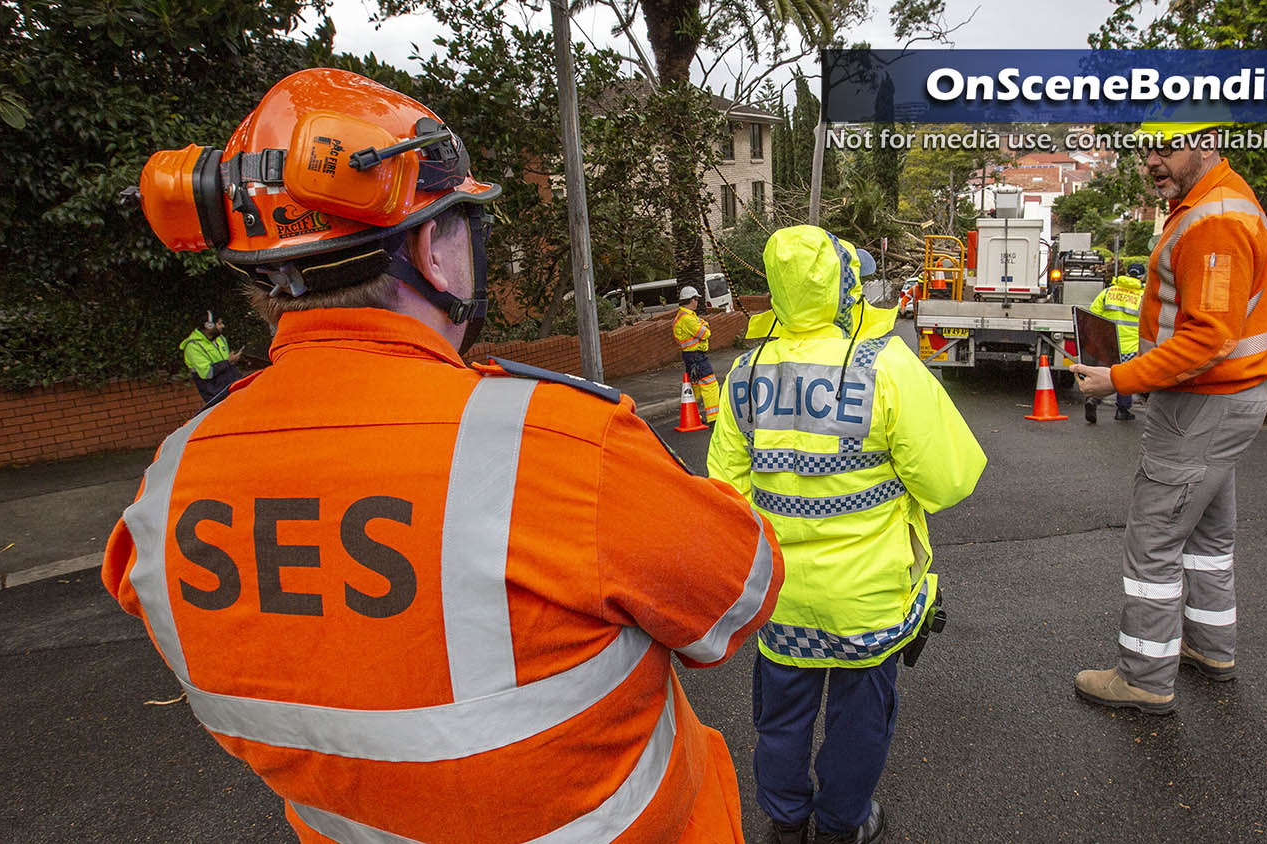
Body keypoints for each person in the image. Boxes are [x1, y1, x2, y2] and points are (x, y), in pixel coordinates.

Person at [103, 68, 784, 843]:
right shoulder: (559, 448)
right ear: (433, 248)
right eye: (467, 224)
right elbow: (742, 588)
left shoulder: (166, 492)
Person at [707, 225, 986, 844]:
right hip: (869, 597)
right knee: (860, 721)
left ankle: (785, 822)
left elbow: (725, 491)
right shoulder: (885, 364)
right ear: (847, 283)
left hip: (780, 595)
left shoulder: (747, 370)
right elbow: (950, 478)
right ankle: (842, 826)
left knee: (780, 718)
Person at [1070, 122, 1267, 715]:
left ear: (1208, 145)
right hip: (1229, 397)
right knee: (1209, 537)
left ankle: (1143, 676)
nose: (1152, 161)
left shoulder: (1212, 218)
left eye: (1167, 148)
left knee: (1155, 541)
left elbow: (1209, 336)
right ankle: (1211, 649)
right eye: (1146, 150)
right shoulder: (1224, 201)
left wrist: (1120, 378)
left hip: (1203, 404)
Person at [1083, 263, 1146, 423]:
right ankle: (1122, 410)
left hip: (1108, 343)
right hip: (1130, 345)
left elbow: (1094, 314)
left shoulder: (1108, 292)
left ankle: (1093, 399)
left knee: (1104, 374)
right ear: (1142, 277)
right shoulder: (1143, 296)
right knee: (1124, 378)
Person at [673, 285, 720, 423]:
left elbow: (703, 325)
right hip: (696, 356)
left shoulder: (688, 316)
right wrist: (705, 327)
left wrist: (703, 325)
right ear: (691, 300)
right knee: (710, 384)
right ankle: (714, 418)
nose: (697, 302)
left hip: (692, 356)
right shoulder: (687, 319)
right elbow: (705, 333)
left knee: (696, 387)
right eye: (696, 299)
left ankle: (693, 417)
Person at [180, 309, 243, 404]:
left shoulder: (220, 338)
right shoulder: (193, 346)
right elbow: (207, 373)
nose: (223, 326)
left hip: (233, 388)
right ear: (209, 326)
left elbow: (225, 365)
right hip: (216, 396)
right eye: (219, 323)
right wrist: (228, 362)